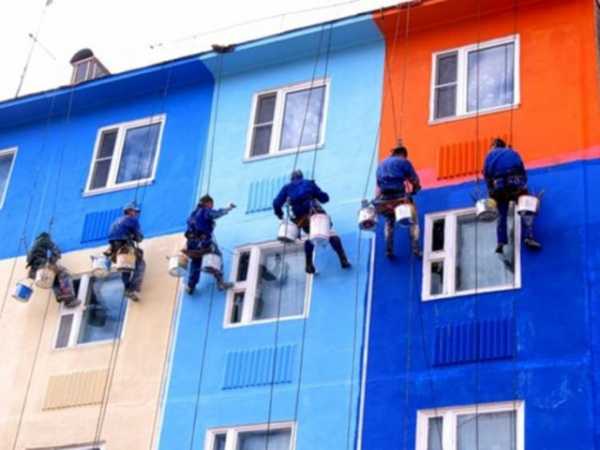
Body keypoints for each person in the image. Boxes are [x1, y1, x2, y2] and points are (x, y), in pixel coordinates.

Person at [273, 170, 351, 274]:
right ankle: (343, 258)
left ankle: (309, 263)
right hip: (315, 213)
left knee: (310, 237)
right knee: (330, 234)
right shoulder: (308, 183)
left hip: (301, 219)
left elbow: (276, 203)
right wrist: (321, 194)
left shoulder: (286, 188)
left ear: (291, 178)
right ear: (301, 176)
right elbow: (324, 199)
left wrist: (279, 214)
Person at [483, 138, 541, 253]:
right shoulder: (512, 152)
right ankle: (528, 237)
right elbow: (522, 170)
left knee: (501, 214)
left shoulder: (489, 155)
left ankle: (501, 241)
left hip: (499, 186)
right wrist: (522, 186)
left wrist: (491, 193)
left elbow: (487, 175)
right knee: (526, 207)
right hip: (515, 183)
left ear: (493, 146)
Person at [375, 141, 421, 258]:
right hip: (399, 196)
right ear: (402, 154)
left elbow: (378, 185)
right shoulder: (403, 162)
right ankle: (415, 248)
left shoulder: (381, 165)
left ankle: (388, 249)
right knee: (413, 217)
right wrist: (415, 189)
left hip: (384, 199)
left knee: (389, 220)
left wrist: (377, 200)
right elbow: (414, 179)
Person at [184, 195, 235, 294]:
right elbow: (216, 214)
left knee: (196, 262)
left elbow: (191, 227)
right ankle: (220, 283)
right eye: (212, 204)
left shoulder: (193, 215)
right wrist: (228, 208)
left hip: (192, 245)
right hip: (204, 243)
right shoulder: (205, 211)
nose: (212, 206)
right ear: (208, 203)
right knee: (217, 256)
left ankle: (190, 286)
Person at [26, 232, 80, 308]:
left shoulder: (33, 246)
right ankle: (68, 297)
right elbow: (56, 251)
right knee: (63, 273)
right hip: (43, 265)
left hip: (34, 272)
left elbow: (28, 260)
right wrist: (52, 261)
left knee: (53, 277)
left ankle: (59, 295)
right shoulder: (45, 240)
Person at [106, 202, 146, 301]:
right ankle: (132, 288)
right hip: (125, 245)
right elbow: (139, 237)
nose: (136, 214)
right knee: (140, 264)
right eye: (135, 211)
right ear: (129, 211)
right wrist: (138, 237)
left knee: (125, 267)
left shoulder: (116, 221)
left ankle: (127, 287)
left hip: (115, 248)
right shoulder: (132, 220)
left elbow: (111, 235)